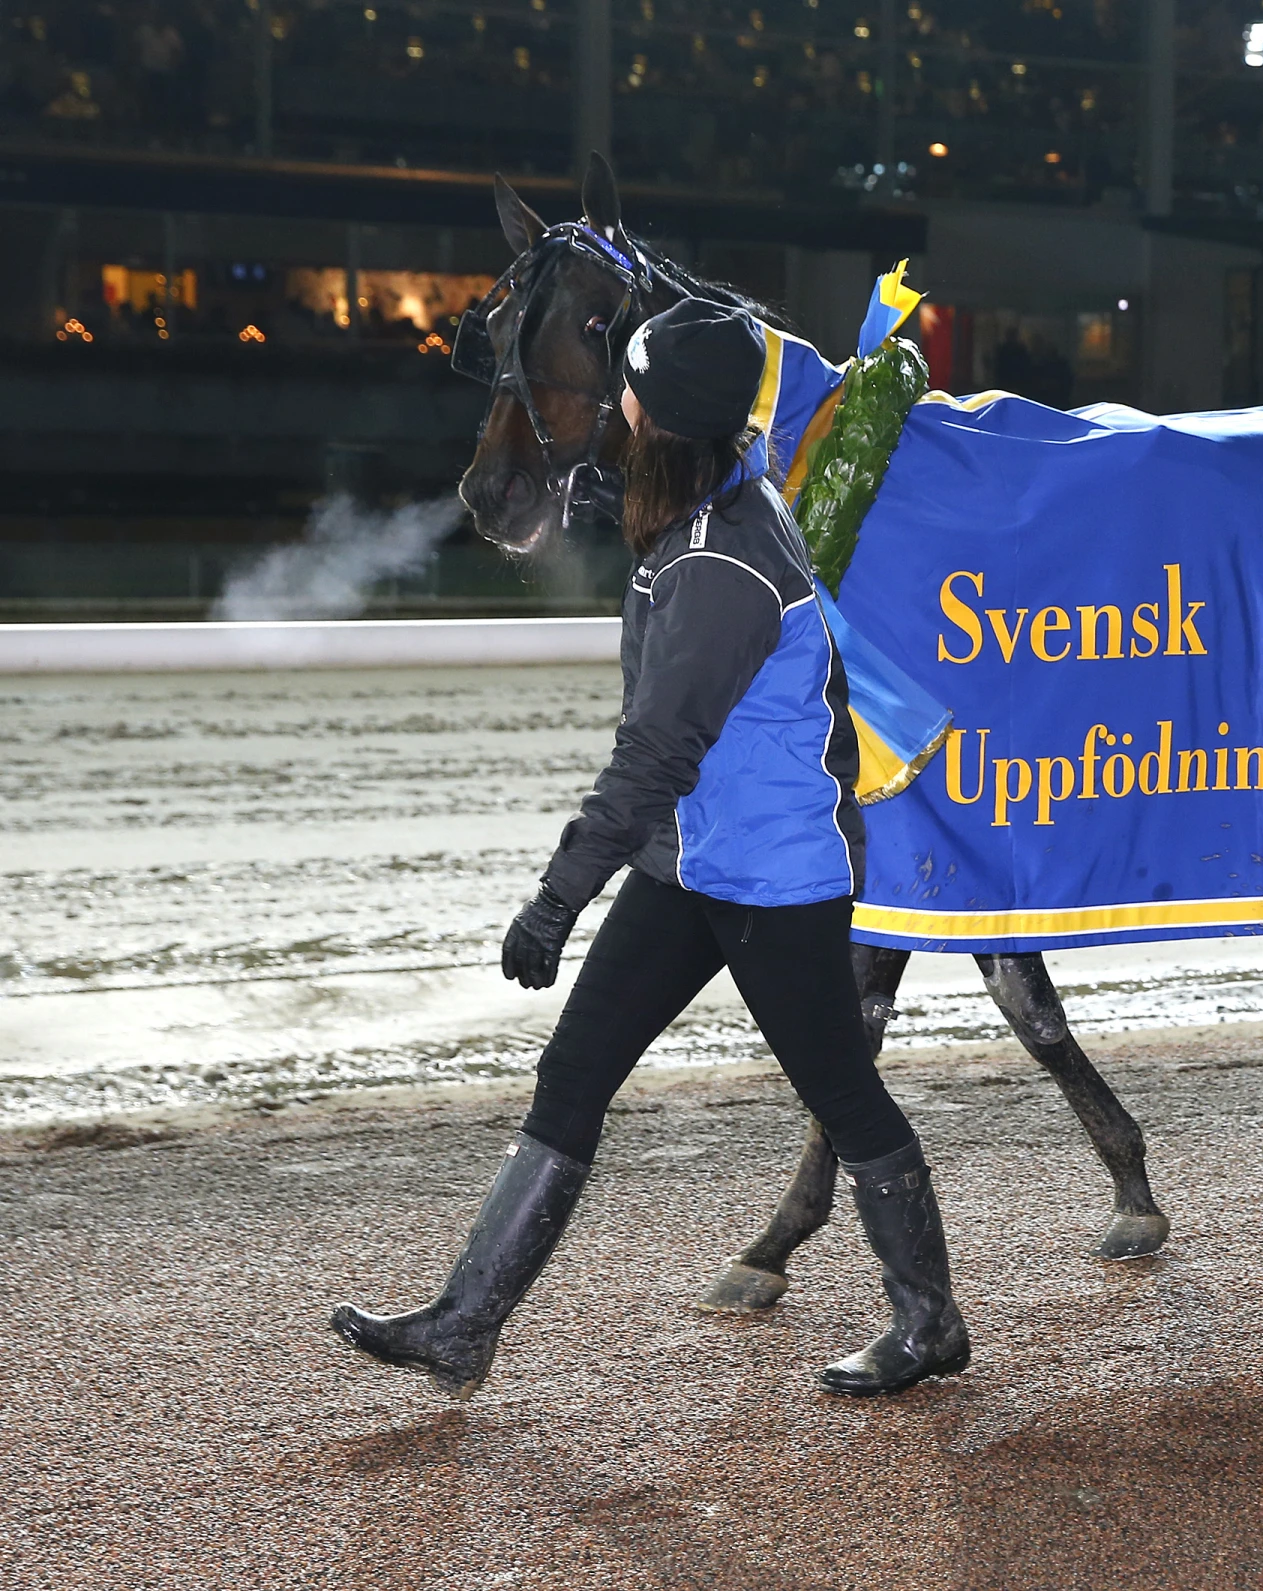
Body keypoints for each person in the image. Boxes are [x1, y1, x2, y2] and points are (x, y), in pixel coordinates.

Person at [331, 299, 970, 1400]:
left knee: (845, 1096)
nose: (613, 402)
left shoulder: (722, 566)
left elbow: (653, 754)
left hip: (774, 879)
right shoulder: (711, 485)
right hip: (695, 862)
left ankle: (930, 1323)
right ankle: (465, 1325)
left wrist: (554, 901)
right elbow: (614, 495)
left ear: (663, 418)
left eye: (626, 387)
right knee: (574, 1070)